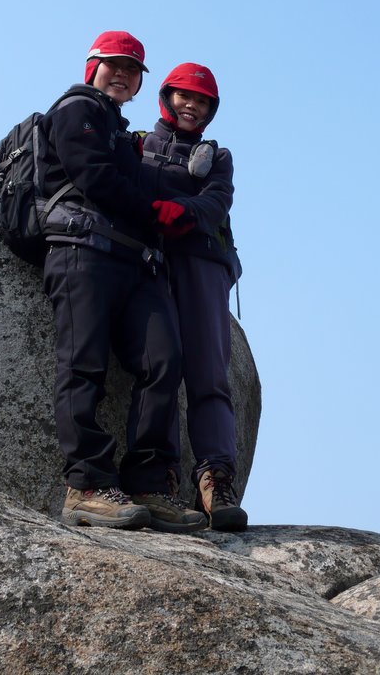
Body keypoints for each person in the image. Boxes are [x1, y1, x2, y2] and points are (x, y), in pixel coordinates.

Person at [40, 32, 207, 533]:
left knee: (164, 361)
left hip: (135, 262)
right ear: (92, 66)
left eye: (131, 70)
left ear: (139, 85)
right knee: (83, 363)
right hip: (82, 250)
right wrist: (153, 209)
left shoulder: (120, 130)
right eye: (113, 65)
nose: (121, 74)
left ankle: (148, 484)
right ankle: (87, 485)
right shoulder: (77, 109)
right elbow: (92, 176)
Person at [140, 62, 248, 531]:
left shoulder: (216, 155)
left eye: (201, 100)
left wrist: (180, 211)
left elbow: (216, 200)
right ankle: (160, 484)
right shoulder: (137, 143)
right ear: (166, 97)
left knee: (208, 373)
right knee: (157, 369)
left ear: (211, 110)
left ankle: (215, 481)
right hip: (149, 261)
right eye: (184, 95)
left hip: (202, 261)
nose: (191, 104)